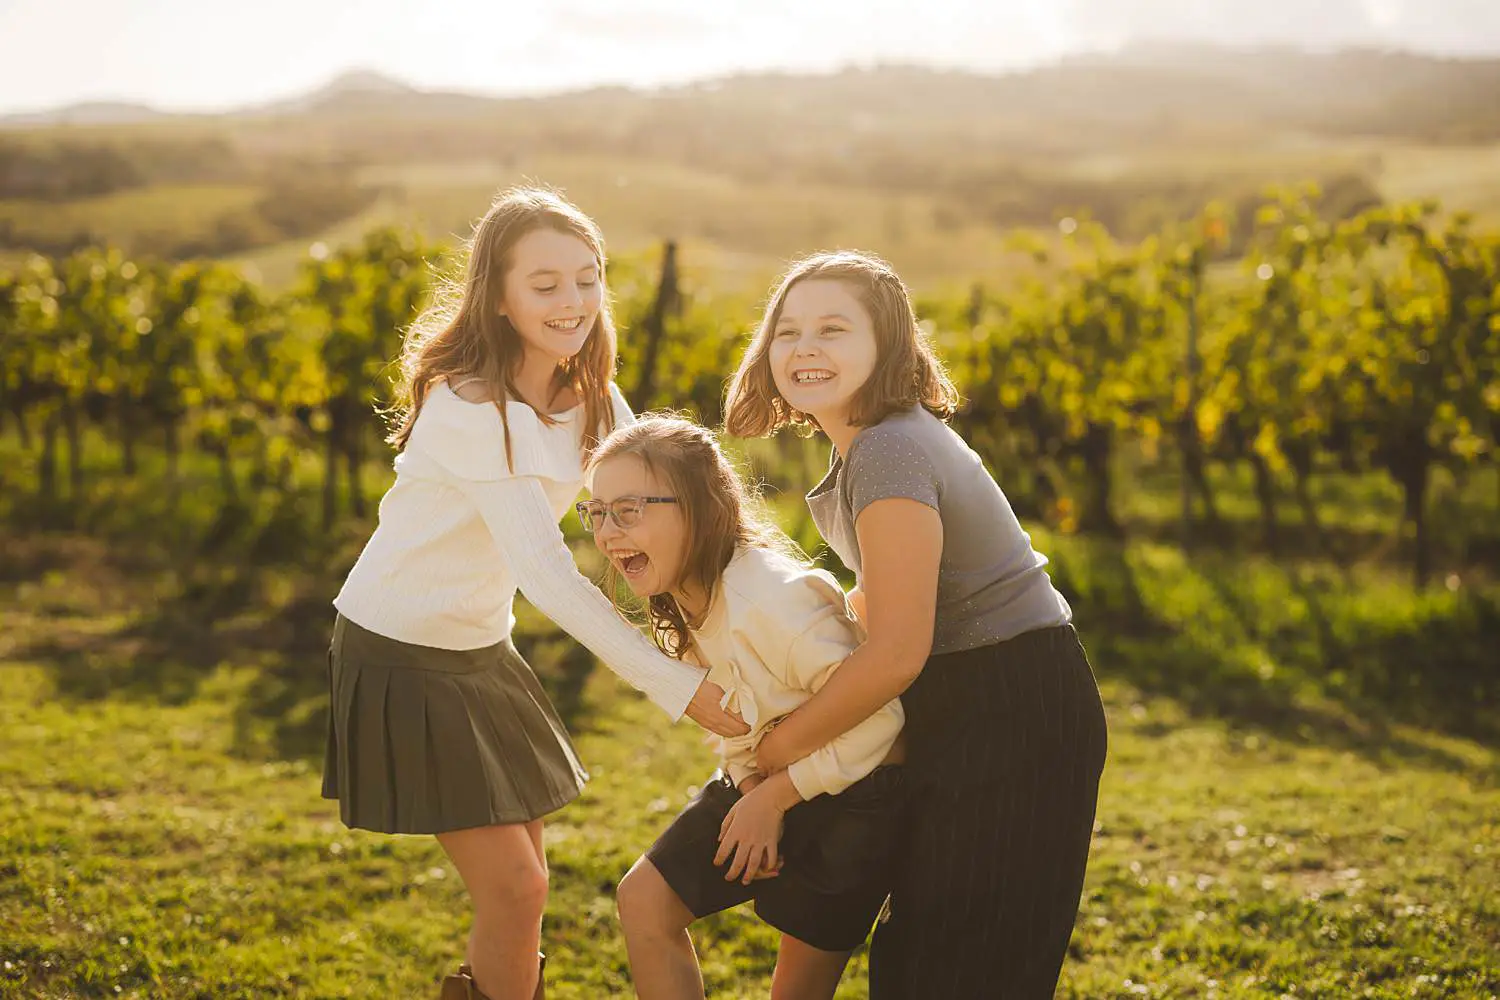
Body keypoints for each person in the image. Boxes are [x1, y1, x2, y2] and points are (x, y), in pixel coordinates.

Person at [320, 187, 746, 1000]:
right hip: (400, 651)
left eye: (587, 279)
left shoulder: (588, 393)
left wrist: (757, 614)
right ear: (500, 297)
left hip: (482, 647)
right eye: (545, 283)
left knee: (529, 886)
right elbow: (548, 573)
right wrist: (680, 687)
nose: (573, 302)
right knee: (515, 888)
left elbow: (662, 498)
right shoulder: (467, 404)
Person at [724, 250, 1108, 999]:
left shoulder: (890, 450)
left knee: (956, 968)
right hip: (979, 700)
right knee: (929, 956)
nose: (805, 347)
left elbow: (899, 650)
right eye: (789, 330)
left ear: (888, 346)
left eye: (833, 329)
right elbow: (876, 608)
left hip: (1012, 708)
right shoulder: (875, 443)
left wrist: (782, 750)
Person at [583, 414, 905, 1000]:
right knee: (644, 903)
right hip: (768, 777)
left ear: (699, 509)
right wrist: (748, 777)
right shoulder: (683, 595)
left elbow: (883, 722)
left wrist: (775, 797)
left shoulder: (774, 603)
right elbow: (733, 719)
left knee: (798, 988)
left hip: (857, 793)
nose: (607, 532)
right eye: (596, 511)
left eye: (628, 510)